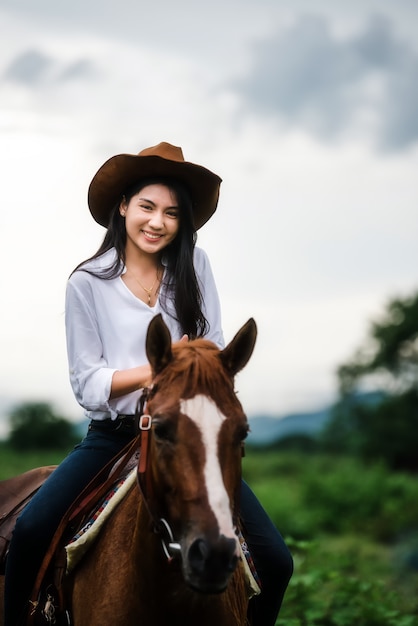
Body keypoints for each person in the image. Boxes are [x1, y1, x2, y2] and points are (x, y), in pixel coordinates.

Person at [4, 142, 293, 625]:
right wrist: (161, 367)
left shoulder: (195, 268)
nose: (158, 222)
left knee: (276, 561)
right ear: (123, 207)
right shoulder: (87, 282)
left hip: (187, 432)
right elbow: (87, 382)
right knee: (32, 529)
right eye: (147, 207)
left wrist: (187, 365)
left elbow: (214, 351)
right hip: (114, 434)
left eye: (172, 213)